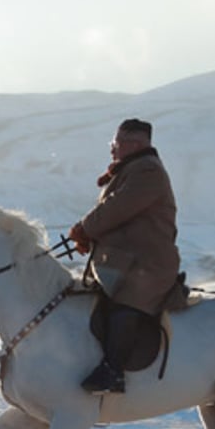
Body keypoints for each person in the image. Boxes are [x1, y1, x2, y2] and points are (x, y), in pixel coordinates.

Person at [68, 118, 182, 394]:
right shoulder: (133, 169)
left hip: (147, 263)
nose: (111, 150)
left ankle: (113, 373)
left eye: (115, 144)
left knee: (126, 303)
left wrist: (86, 229)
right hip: (126, 259)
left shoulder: (147, 172)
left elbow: (117, 209)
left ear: (134, 144)